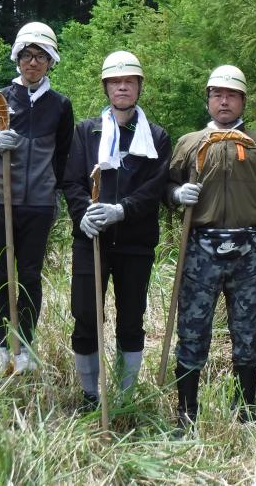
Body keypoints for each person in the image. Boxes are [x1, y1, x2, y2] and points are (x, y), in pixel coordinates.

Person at [167, 65, 256, 428]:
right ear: (208, 100)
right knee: (192, 330)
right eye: (217, 94)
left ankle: (245, 412)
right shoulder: (189, 143)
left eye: (231, 94)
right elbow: (165, 191)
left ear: (243, 100)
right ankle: (187, 413)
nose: (224, 100)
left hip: (247, 249)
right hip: (201, 249)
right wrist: (175, 194)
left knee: (246, 332)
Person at [63, 51, 171, 409]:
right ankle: (91, 394)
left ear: (139, 86)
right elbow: (73, 180)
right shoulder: (86, 131)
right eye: (115, 81)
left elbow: (154, 188)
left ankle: (124, 396)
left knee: (130, 319)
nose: (122, 87)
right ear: (106, 87)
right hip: (91, 240)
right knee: (86, 315)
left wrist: (122, 210)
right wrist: (83, 214)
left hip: (135, 243)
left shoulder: (156, 136)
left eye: (129, 81)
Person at [0, 22, 74, 377]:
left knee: (29, 275)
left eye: (41, 56)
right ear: (17, 58)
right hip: (0, 199)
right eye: (28, 55)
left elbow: (63, 156)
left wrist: (58, 195)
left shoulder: (60, 105)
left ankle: (25, 348)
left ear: (50, 61)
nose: (33, 62)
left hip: (39, 204)